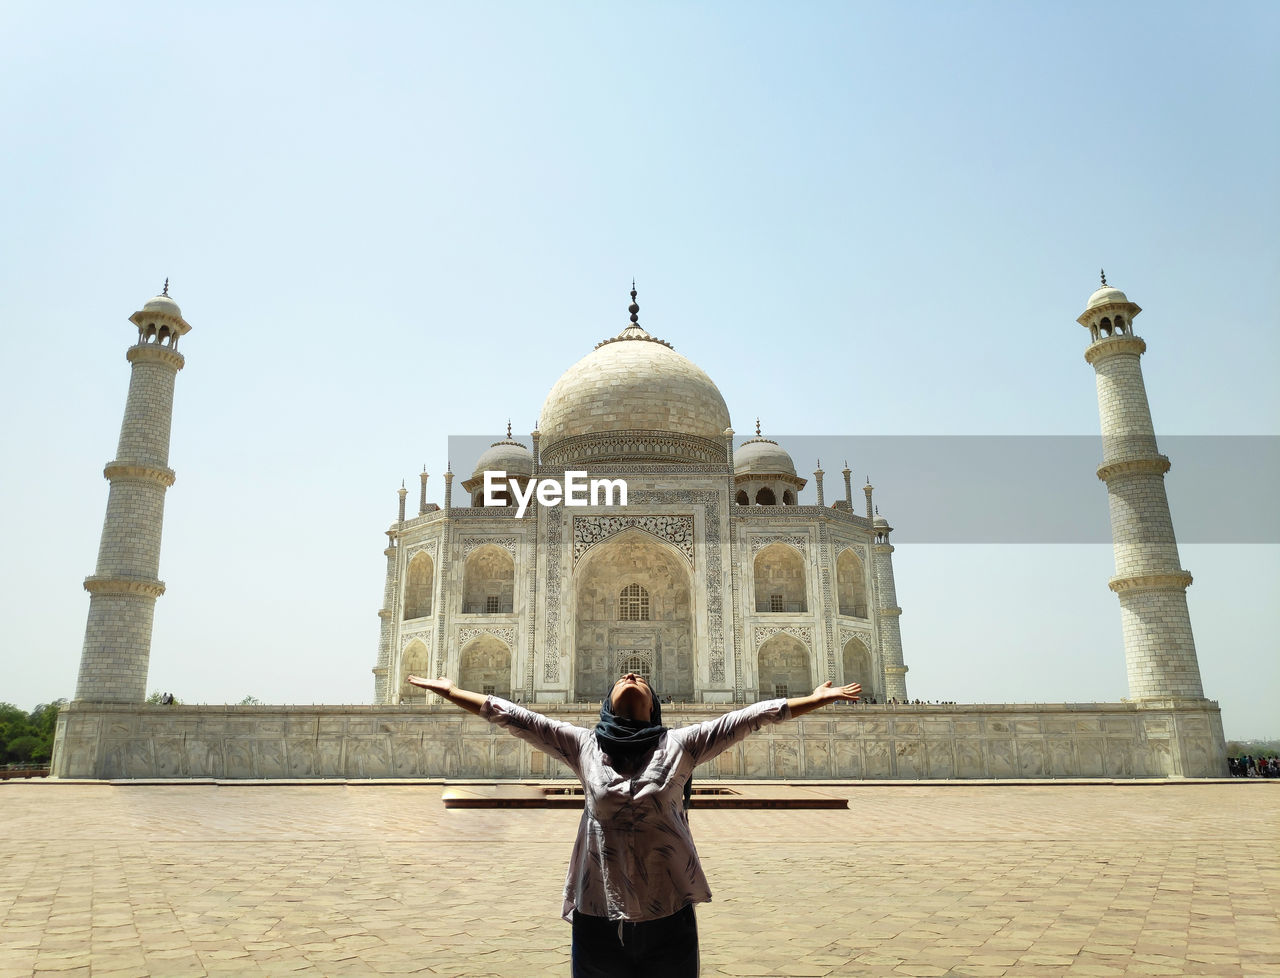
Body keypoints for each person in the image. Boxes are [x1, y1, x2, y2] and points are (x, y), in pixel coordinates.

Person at [407, 671, 861, 977]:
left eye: (641, 678)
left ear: (655, 706)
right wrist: (450, 691)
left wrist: (814, 701)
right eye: (624, 677)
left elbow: (752, 717)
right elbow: (514, 716)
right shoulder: (583, 745)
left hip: (668, 911)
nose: (631, 677)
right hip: (597, 910)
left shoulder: (682, 745)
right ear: (607, 704)